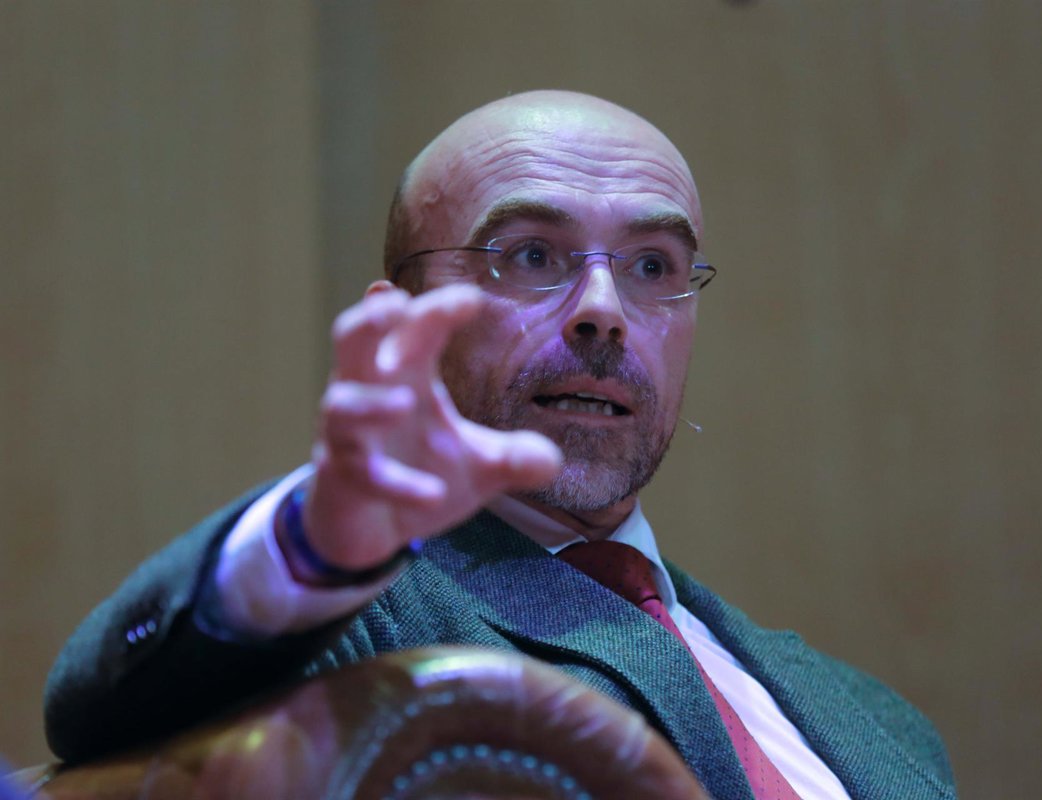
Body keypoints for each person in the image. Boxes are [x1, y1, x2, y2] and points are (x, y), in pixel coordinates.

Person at [44, 91, 955, 800]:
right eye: (531, 255)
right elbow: (104, 710)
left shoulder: (875, 718)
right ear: (404, 321)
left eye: (653, 266)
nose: (604, 311)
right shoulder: (355, 626)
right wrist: (310, 545)